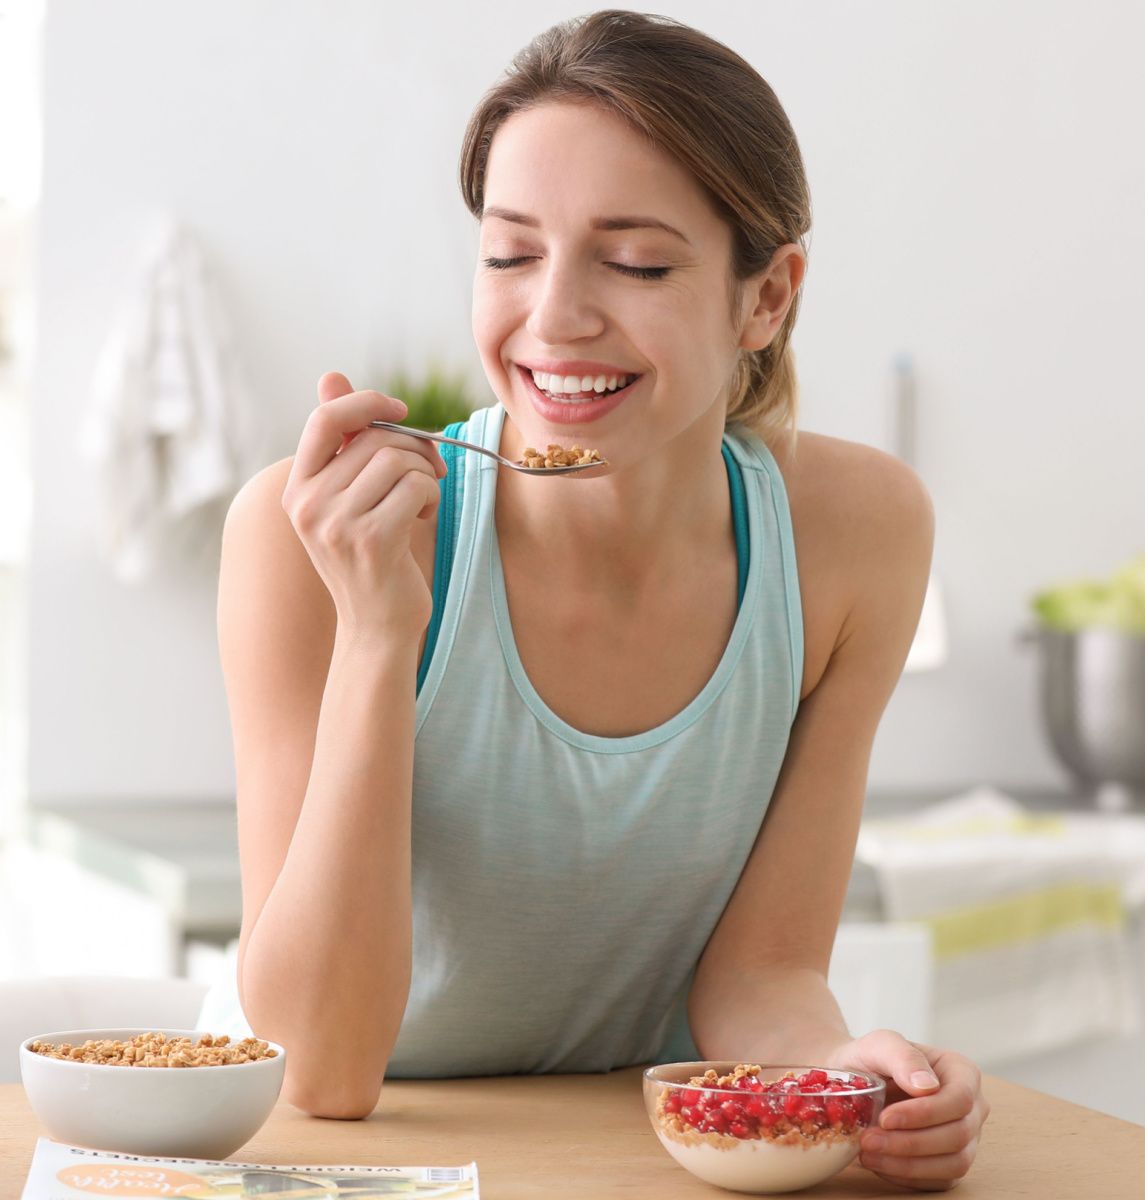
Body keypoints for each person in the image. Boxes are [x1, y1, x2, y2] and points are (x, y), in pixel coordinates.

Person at [198, 9, 988, 1189]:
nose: (554, 317)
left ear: (766, 297)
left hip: (625, 1164)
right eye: (511, 253)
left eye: (636, 262)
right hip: (332, 1165)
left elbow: (761, 973)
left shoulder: (856, 537)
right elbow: (322, 1068)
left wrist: (848, 1071)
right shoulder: (301, 534)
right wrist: (378, 632)